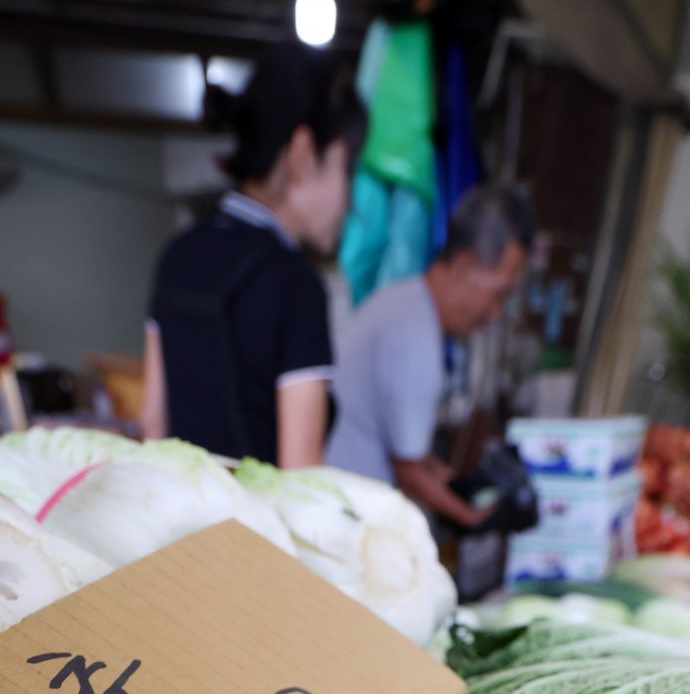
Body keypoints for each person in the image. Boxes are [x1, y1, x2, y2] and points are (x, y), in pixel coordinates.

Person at [141, 45, 365, 467]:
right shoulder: (296, 286)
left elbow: (152, 423)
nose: (349, 199)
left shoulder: (178, 254)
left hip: (180, 525)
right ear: (301, 154)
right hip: (255, 533)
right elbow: (300, 476)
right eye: (345, 168)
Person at [327, 183, 535, 528]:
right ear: (466, 265)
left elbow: (410, 452)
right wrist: (473, 517)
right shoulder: (416, 339)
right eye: (499, 294)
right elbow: (409, 470)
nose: (495, 312)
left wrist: (448, 477)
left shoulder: (402, 299)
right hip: (348, 519)